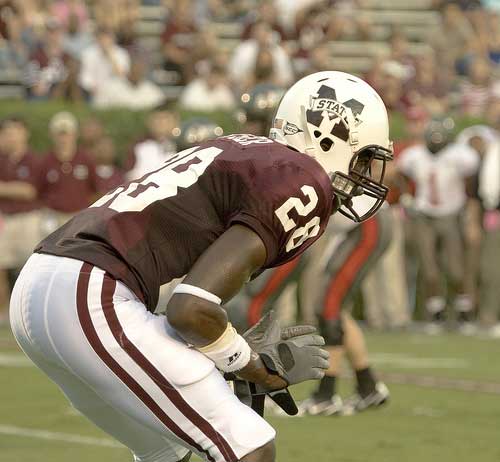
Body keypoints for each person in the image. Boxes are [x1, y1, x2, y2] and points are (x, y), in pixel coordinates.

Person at [9, 71, 393, 462]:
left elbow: (184, 302)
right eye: (364, 158)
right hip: (90, 293)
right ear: (327, 134)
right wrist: (250, 365)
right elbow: (189, 309)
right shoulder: (301, 177)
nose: (364, 174)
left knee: (168, 452)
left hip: (46, 284)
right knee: (250, 446)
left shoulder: (242, 149)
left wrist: (228, 350)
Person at [398, 118, 479, 333]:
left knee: (455, 269)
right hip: (424, 215)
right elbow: (401, 174)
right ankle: (436, 313)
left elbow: (472, 182)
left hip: (452, 214)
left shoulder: (460, 155)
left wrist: (469, 212)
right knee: (429, 268)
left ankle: (464, 311)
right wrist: (408, 196)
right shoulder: (414, 155)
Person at [0, 117, 41, 325]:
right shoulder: (2, 159)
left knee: (30, 269)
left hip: (28, 218)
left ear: (25, 133)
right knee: (1, 267)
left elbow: (29, 191)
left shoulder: (33, 160)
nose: (11, 135)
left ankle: (27, 314)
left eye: (15, 130)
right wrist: (13, 188)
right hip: (4, 218)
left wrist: (4, 188)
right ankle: (4, 315)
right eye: (7, 131)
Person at [37, 111, 99, 231]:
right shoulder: (46, 160)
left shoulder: (86, 159)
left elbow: (95, 189)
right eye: (60, 134)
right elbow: (39, 191)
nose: (64, 139)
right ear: (52, 135)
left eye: (67, 134)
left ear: (75, 134)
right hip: (53, 217)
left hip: (79, 216)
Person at [124, 105, 178, 180]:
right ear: (149, 122)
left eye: (166, 119)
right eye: (158, 119)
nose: (161, 124)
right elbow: (128, 174)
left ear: (175, 122)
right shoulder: (139, 145)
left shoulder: (182, 145)